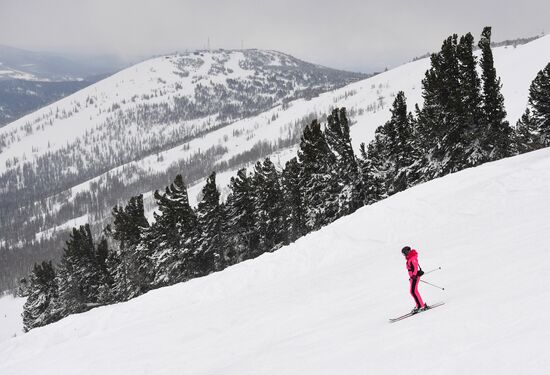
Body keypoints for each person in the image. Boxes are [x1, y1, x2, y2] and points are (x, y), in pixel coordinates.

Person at [402, 246, 428, 313]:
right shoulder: (409, 258)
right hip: (412, 278)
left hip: (415, 277)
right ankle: (419, 305)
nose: (404, 255)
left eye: (404, 253)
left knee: (414, 291)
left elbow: (415, 268)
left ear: (408, 251)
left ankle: (421, 306)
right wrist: (411, 277)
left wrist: (413, 276)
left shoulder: (412, 258)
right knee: (412, 291)